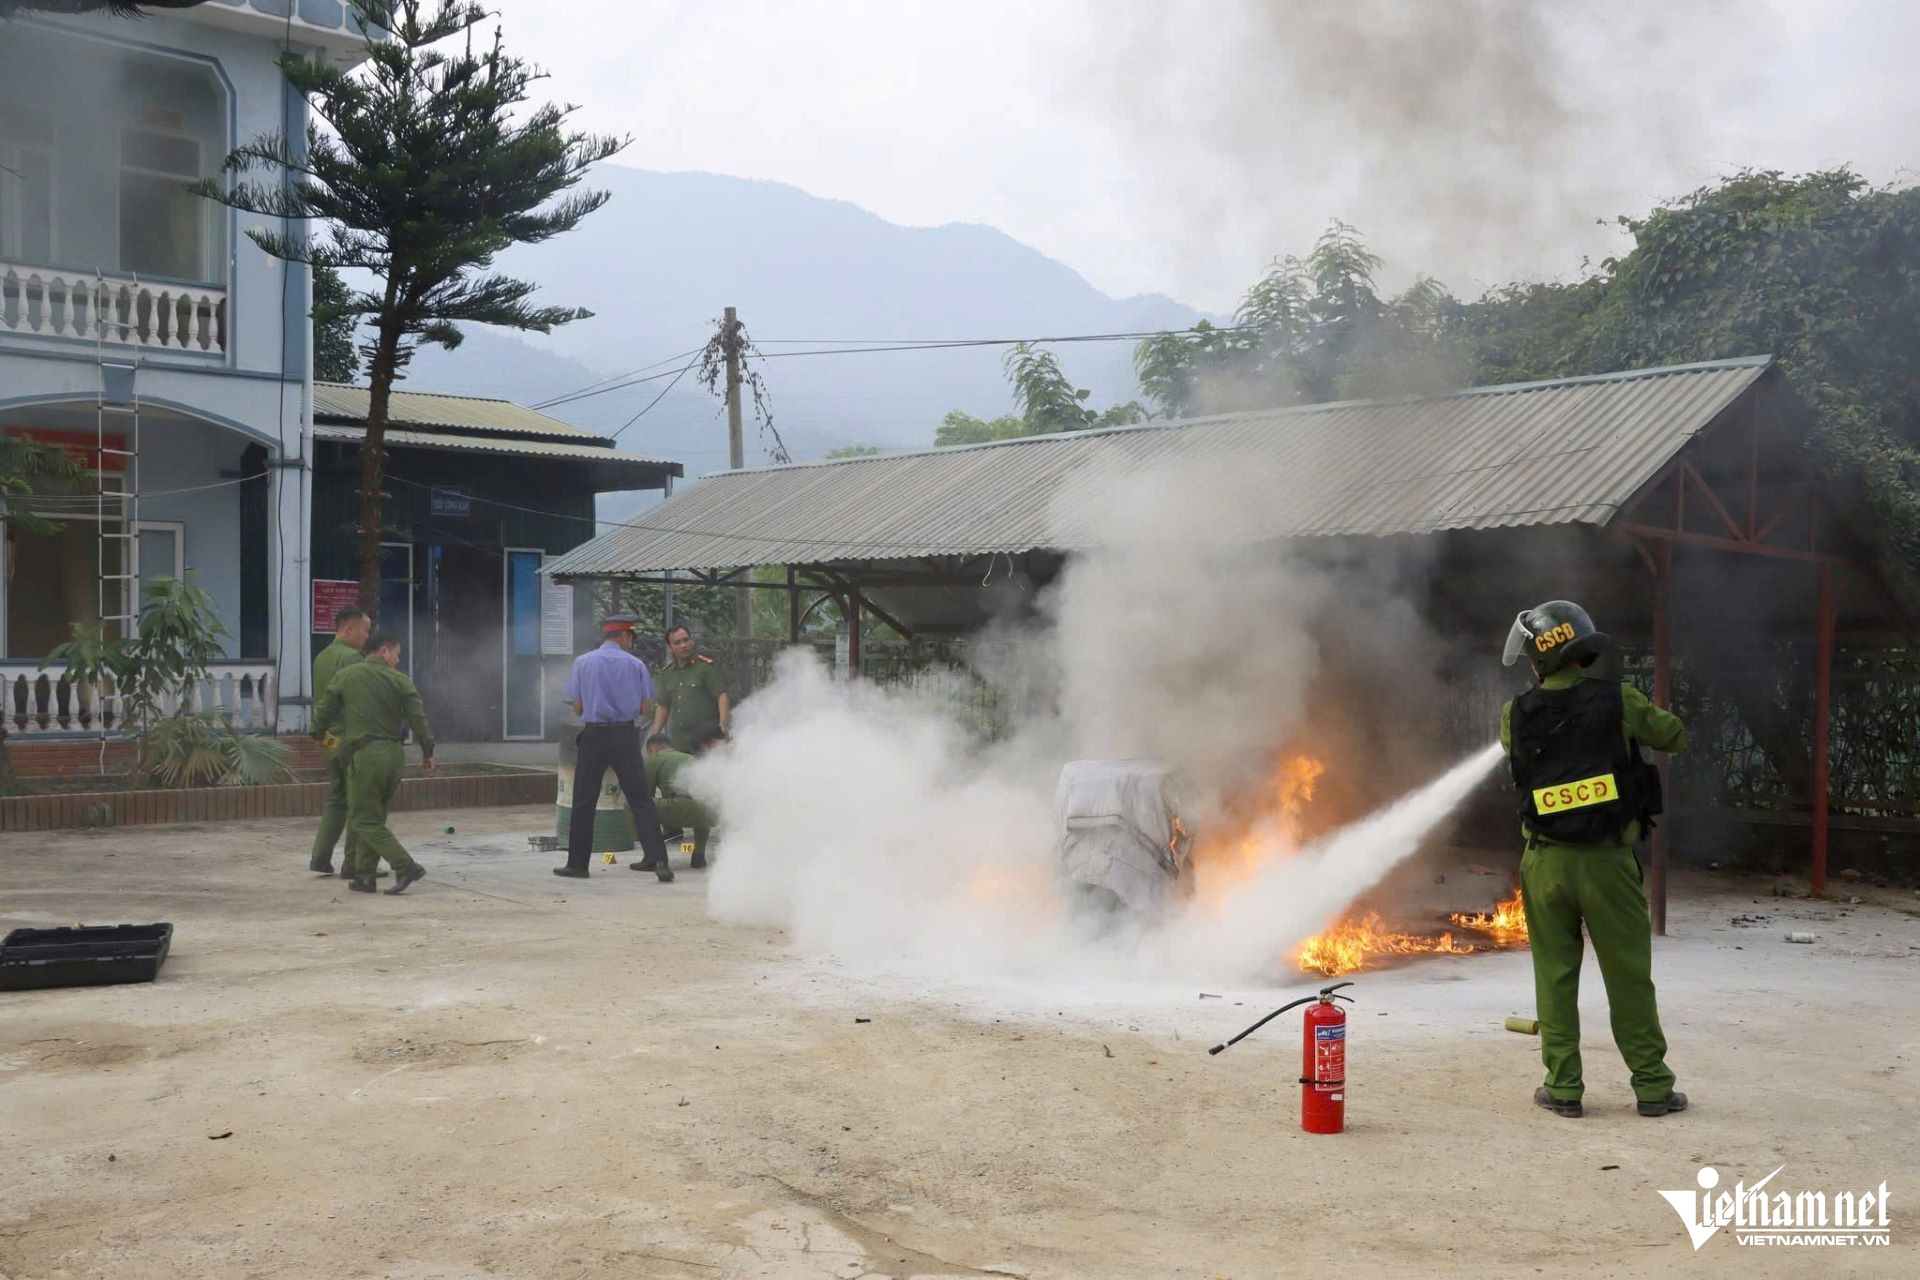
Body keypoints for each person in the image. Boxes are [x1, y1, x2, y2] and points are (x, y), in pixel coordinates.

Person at [1500, 600, 1688, 1119]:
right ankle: (1652, 1088)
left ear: (1539, 661)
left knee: (1555, 976)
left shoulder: (1514, 714)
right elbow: (1674, 735)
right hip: (1606, 863)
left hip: (1544, 864)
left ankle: (1563, 1089)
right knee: (1628, 975)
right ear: (1582, 651)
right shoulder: (1619, 701)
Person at [312, 631, 436, 896]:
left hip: (366, 756)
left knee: (363, 819)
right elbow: (419, 719)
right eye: (397, 654)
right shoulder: (401, 681)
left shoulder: (347, 676)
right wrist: (428, 752)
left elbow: (322, 713)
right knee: (375, 815)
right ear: (383, 651)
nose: (397, 661)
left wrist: (324, 739)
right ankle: (365, 876)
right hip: (394, 755)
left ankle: (405, 866)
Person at [559, 614, 674, 882]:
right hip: (625, 736)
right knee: (640, 799)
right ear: (623, 636)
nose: (631, 642)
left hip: (594, 736)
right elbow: (645, 708)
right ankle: (659, 861)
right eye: (631, 637)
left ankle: (577, 865)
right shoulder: (636, 665)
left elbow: (577, 707)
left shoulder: (583, 662)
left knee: (584, 800)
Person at [308, 605, 375, 877]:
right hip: (351, 740)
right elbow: (362, 703)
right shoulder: (353, 659)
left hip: (329, 741)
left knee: (337, 798)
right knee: (361, 801)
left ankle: (320, 858)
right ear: (349, 628)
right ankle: (355, 864)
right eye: (365, 630)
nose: (367, 636)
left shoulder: (321, 657)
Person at [634, 729, 721, 872]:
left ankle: (650, 855)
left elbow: (645, 796)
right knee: (703, 802)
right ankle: (699, 855)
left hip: (680, 810)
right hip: (710, 816)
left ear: (653, 749)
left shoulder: (654, 759)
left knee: (637, 804)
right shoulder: (691, 758)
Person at [651, 623, 731, 752]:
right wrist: (655, 735)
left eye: (686, 640)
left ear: (692, 641)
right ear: (670, 647)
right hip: (679, 742)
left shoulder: (706, 667)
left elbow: (721, 695)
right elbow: (663, 706)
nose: (683, 645)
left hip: (706, 742)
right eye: (677, 642)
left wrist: (723, 725)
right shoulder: (667, 673)